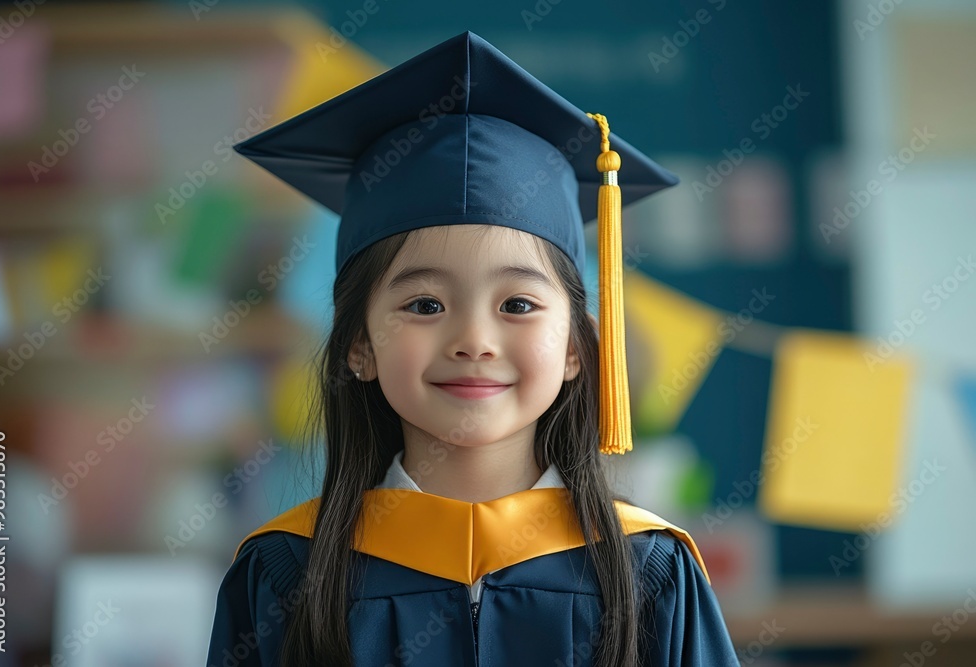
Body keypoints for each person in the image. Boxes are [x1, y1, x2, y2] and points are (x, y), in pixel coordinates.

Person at [207, 30, 741, 667]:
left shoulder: (648, 571)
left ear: (576, 346)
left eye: (517, 305)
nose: (473, 342)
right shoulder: (285, 572)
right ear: (358, 346)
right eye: (425, 305)